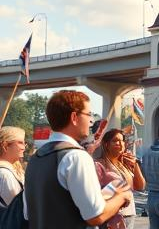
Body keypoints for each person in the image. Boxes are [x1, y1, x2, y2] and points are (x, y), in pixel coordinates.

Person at [24, 90, 132, 228]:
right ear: (74, 117)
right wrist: (121, 196)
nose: (91, 120)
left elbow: (29, 212)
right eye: (88, 114)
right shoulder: (76, 157)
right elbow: (95, 215)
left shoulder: (36, 158)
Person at [95, 128, 146, 229]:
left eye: (122, 140)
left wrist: (135, 164)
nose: (120, 143)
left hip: (129, 214)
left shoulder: (124, 164)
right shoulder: (99, 165)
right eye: (115, 141)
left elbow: (140, 186)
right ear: (106, 144)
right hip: (111, 217)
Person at [0, 126, 25, 209]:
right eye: (20, 143)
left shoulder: (11, 170)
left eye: (24, 143)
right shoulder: (4, 174)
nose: (24, 148)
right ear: (5, 145)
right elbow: (19, 208)